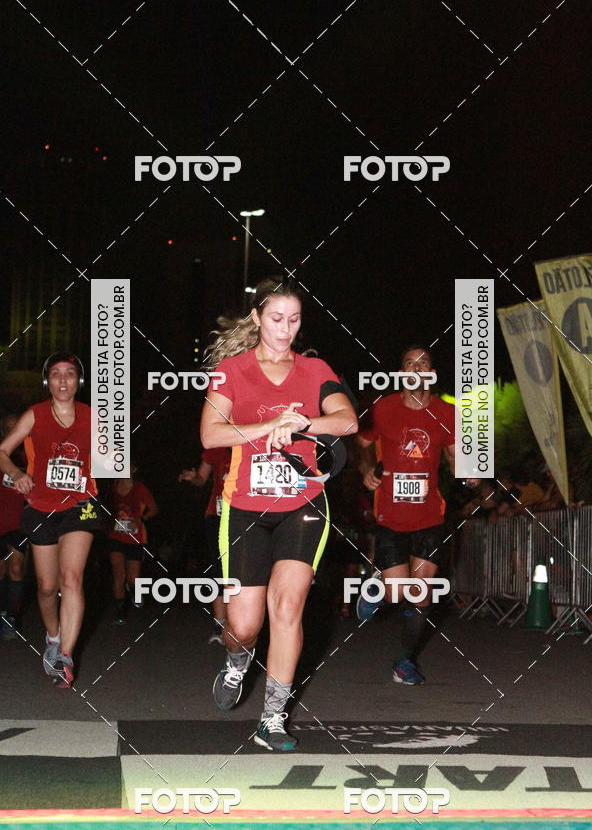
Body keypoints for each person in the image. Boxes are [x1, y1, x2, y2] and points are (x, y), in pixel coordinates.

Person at [201, 276, 357, 751]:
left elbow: (347, 420)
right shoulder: (232, 370)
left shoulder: (313, 370)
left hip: (303, 504)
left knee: (287, 608)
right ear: (257, 318)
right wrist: (269, 423)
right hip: (246, 506)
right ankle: (235, 662)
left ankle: (273, 718)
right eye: (276, 319)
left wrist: (303, 422)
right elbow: (211, 435)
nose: (285, 329)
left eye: (294, 320)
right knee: (245, 625)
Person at [356, 345, 477, 685]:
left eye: (422, 363)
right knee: (397, 592)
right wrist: (368, 471)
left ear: (431, 374)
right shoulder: (383, 408)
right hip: (390, 516)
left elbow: (455, 459)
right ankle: (377, 588)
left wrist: (469, 473)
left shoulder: (447, 412)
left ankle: (404, 661)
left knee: (421, 595)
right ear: (401, 373)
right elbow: (362, 445)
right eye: (408, 363)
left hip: (429, 517)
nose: (415, 368)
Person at [0, 353, 101, 688]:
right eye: (56, 374)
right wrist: (17, 473)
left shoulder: (92, 415)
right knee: (45, 586)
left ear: (78, 381)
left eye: (70, 374)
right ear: (48, 381)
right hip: (41, 506)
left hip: (81, 505)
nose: (63, 380)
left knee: (72, 579)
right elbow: (0, 452)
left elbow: (112, 456)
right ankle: (53, 637)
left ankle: (65, 658)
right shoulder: (35, 414)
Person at [179, 447, 231, 643]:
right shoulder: (217, 447)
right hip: (216, 516)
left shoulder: (254, 440)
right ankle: (219, 626)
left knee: (240, 570)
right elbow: (201, 478)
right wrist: (193, 477)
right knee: (218, 570)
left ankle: (241, 624)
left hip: (247, 516)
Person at [108, 463, 158, 625]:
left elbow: (154, 509)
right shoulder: (113, 486)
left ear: (133, 469)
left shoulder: (139, 488)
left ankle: (136, 593)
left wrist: (141, 519)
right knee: (118, 575)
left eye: (127, 465)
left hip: (135, 538)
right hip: (116, 536)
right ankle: (120, 612)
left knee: (132, 579)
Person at [0, 415, 28, 639]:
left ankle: (11, 618)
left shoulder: (28, 456)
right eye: (8, 428)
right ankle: (1, 611)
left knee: (16, 569)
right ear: (2, 430)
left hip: (19, 522)